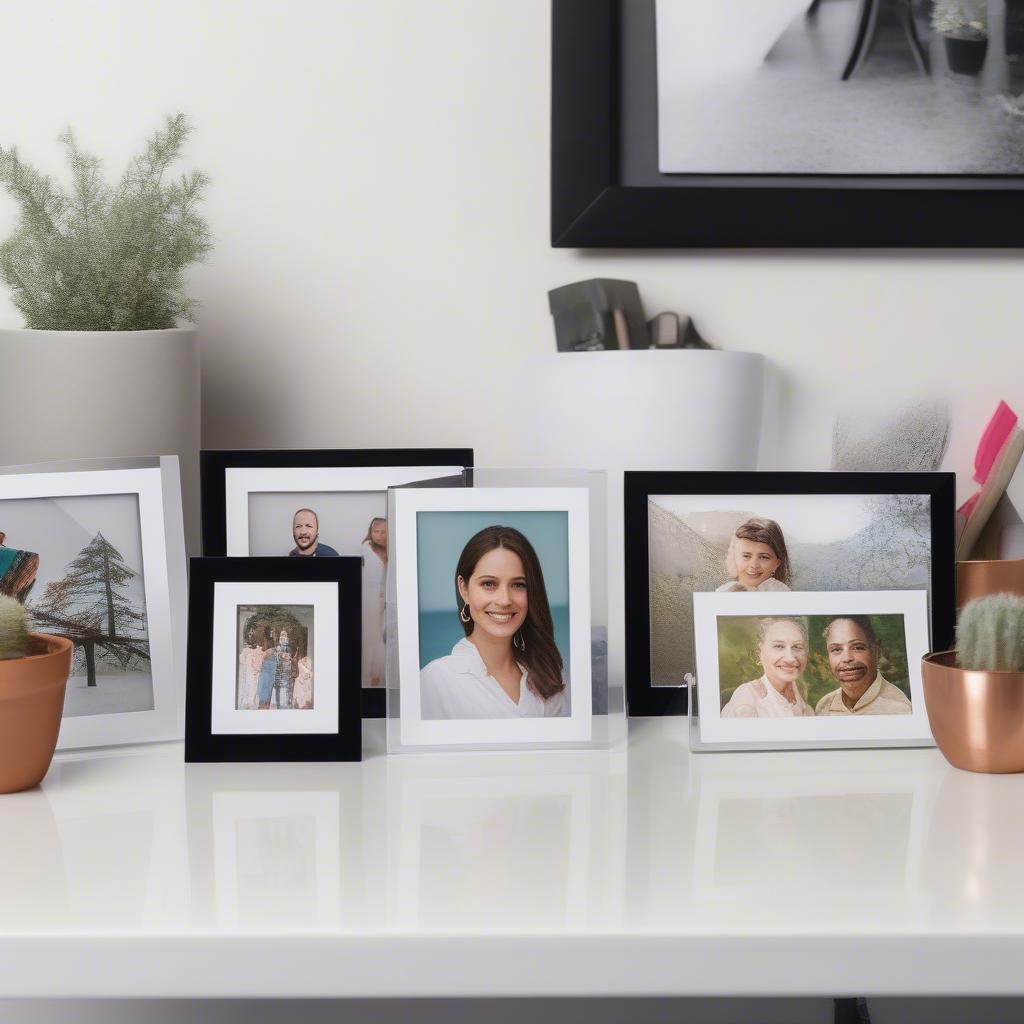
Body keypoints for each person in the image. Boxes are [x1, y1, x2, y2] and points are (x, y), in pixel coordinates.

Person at [420, 525, 569, 719]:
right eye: (489, 584)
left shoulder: (549, 677)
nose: (505, 600)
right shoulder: (435, 682)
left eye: (518, 585)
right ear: (463, 588)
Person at [815, 616, 912, 716]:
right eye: (836, 650)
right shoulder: (824, 707)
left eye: (857, 647)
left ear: (876, 651)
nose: (847, 658)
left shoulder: (900, 709)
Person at [720, 616, 815, 718]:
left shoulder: (807, 709)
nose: (790, 658)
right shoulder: (747, 699)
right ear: (759, 654)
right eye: (779, 646)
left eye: (797, 647)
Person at [716, 517, 792, 593]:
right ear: (735, 557)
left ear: (777, 563)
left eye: (763, 557)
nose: (754, 565)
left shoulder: (781, 592)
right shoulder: (724, 591)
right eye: (746, 556)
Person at [361, 516, 387, 688]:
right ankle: (370, 679)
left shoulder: (392, 550)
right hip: (368, 600)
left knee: (383, 638)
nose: (378, 535)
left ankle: (379, 680)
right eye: (375, 531)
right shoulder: (366, 549)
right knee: (371, 638)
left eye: (382, 532)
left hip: (386, 600)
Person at [236, 628, 265, 709]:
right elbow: (242, 663)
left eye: (252, 634)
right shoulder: (245, 651)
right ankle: (247, 702)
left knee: (254, 688)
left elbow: (261, 664)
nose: (251, 636)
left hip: (255, 674)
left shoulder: (259, 650)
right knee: (247, 686)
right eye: (249, 634)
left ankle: (252, 702)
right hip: (247, 674)